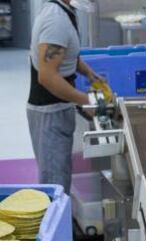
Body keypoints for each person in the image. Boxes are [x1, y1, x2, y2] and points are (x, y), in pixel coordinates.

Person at [27, 0, 102, 194]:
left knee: (60, 176)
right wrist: (87, 101)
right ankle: (55, 223)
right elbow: (47, 76)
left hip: (59, 107)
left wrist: (89, 74)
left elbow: (67, 53)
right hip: (49, 112)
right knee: (55, 184)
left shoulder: (66, 11)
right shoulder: (56, 21)